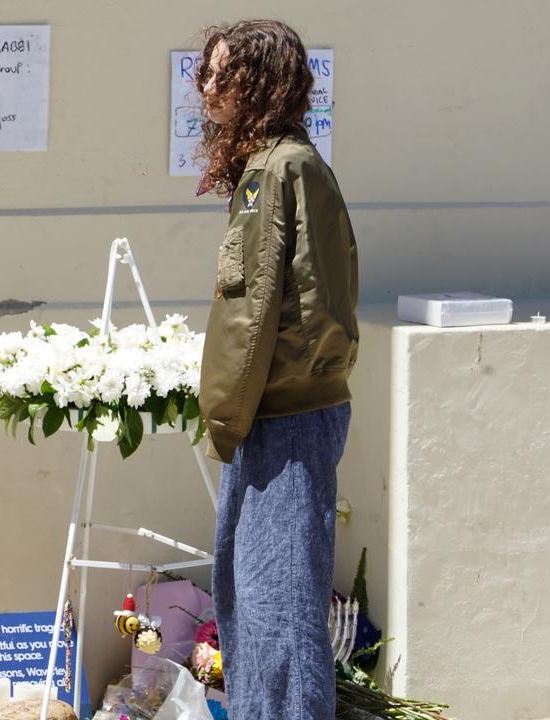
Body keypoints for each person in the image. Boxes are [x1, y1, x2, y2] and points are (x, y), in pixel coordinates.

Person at [194, 19, 359, 720]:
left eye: (220, 72)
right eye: (203, 71)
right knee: (252, 606)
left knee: (279, 610)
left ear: (260, 81)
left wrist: (229, 410)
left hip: (284, 416)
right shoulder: (276, 163)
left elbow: (273, 309)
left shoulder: (280, 167)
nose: (205, 86)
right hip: (274, 413)